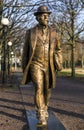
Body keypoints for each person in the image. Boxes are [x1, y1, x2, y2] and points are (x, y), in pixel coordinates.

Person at [21, 5, 62, 126]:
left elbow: (58, 49)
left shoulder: (55, 32)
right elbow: (25, 52)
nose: (47, 18)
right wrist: (25, 68)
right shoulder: (30, 33)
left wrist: (58, 63)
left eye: (48, 15)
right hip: (35, 64)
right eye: (44, 16)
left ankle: (45, 106)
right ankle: (41, 113)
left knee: (47, 90)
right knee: (39, 87)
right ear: (38, 18)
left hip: (49, 65)